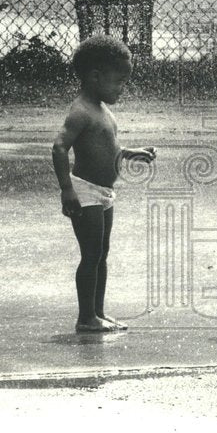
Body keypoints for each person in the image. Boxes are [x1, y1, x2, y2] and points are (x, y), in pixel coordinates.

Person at [52, 35, 156, 333]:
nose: (122, 88)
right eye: (119, 81)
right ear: (95, 76)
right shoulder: (81, 111)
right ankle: (85, 318)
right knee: (91, 255)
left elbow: (106, 147)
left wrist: (131, 153)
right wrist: (66, 190)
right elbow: (59, 148)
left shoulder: (101, 108)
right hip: (84, 191)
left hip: (104, 193)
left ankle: (97, 313)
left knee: (101, 254)